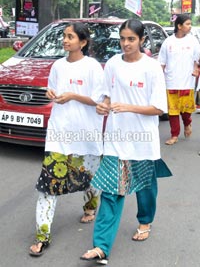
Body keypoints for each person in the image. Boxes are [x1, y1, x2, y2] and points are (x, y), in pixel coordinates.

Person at [80, 19, 172, 265]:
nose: (126, 43)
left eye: (131, 39)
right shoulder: (112, 64)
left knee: (145, 189)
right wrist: (103, 106)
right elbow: (106, 95)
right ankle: (101, 246)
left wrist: (128, 107)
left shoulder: (152, 68)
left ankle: (145, 220)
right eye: (122, 38)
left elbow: (159, 108)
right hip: (115, 140)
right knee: (111, 192)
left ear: (142, 40)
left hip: (142, 141)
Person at [29, 22, 105, 256]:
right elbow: (51, 91)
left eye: (70, 36)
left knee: (90, 178)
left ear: (82, 42)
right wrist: (50, 93)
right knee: (48, 185)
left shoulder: (92, 67)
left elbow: (98, 100)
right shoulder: (57, 66)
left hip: (86, 135)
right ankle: (42, 236)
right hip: (59, 133)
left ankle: (90, 207)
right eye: (64, 36)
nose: (65, 40)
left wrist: (73, 95)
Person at [158, 14, 200, 145]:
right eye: (187, 24)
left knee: (186, 110)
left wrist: (196, 69)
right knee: (173, 110)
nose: (190, 26)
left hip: (187, 81)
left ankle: (187, 123)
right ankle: (174, 134)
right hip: (170, 81)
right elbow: (162, 62)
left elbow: (197, 58)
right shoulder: (168, 42)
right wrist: (159, 79)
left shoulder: (193, 41)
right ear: (179, 26)